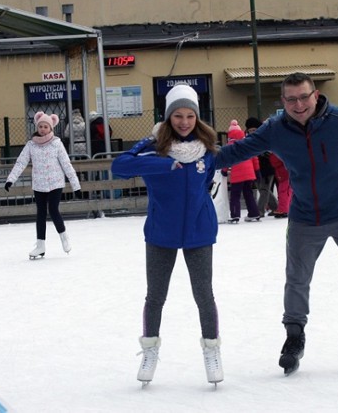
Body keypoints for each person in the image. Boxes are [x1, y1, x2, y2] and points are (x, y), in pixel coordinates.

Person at [215, 72, 338, 374]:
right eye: (291, 99)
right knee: (297, 279)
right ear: (283, 101)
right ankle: (294, 337)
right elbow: (240, 150)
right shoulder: (276, 128)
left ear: (316, 94)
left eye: (304, 97)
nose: (299, 104)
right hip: (305, 217)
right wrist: (202, 159)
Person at [110, 84, 224, 385]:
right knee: (156, 296)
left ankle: (212, 351)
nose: (184, 122)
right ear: (168, 116)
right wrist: (162, 164)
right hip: (161, 233)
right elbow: (118, 166)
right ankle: (149, 351)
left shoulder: (207, 150)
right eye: (178, 115)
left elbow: (207, 182)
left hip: (199, 232)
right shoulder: (152, 147)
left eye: (190, 116)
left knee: (204, 294)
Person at [4, 111, 82, 259]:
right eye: (41, 126)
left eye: (46, 126)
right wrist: (10, 179)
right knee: (40, 213)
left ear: (51, 128)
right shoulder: (31, 145)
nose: (43, 129)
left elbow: (66, 165)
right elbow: (21, 162)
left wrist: (76, 186)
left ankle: (64, 237)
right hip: (39, 184)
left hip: (55, 183)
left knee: (53, 209)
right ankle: (40, 246)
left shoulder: (56, 144)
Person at [222, 120, 261, 223]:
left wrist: (224, 171)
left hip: (237, 176)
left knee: (235, 195)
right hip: (249, 174)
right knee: (249, 194)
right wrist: (257, 171)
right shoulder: (247, 143)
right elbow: (255, 158)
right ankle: (254, 213)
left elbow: (226, 160)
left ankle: (235, 215)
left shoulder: (229, 146)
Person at [245, 117, 278, 216]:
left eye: (254, 130)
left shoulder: (265, 138)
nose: (252, 132)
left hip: (267, 169)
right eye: (250, 130)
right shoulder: (248, 140)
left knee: (264, 190)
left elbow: (271, 153)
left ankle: (259, 210)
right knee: (263, 189)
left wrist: (263, 153)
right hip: (256, 169)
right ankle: (276, 207)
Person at [268, 153, 291, 218]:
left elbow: (274, 162)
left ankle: (283, 210)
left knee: (283, 192)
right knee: (285, 192)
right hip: (284, 174)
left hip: (283, 175)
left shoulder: (276, 154)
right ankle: (284, 209)